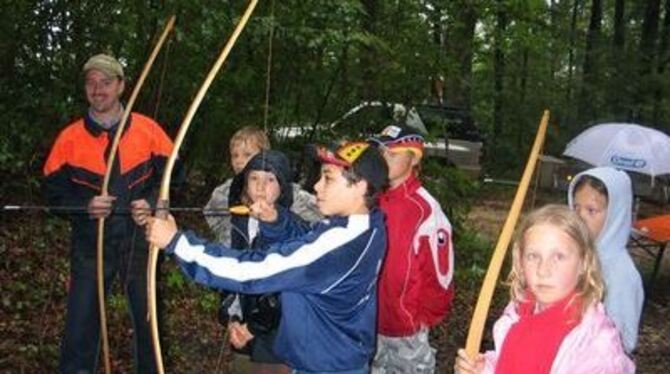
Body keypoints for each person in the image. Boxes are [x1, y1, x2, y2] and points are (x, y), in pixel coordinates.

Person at [146, 141, 389, 373]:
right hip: (331, 361)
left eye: (328, 178)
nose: (317, 186)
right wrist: (276, 221)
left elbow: (252, 271)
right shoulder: (366, 226)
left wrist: (177, 243)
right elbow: (308, 238)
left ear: (360, 186)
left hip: (326, 367)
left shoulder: (338, 245)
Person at [43, 53, 176, 373]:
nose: (97, 89)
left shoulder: (148, 130)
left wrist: (154, 201)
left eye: (105, 82)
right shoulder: (69, 138)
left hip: (139, 239)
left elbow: (173, 177)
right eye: (91, 83)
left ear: (121, 86)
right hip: (91, 244)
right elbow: (52, 195)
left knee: (150, 323)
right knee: (80, 323)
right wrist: (84, 206)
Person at [455, 205, 635, 373]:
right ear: (520, 261)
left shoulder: (595, 346)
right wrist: (483, 368)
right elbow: (513, 362)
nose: (543, 270)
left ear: (584, 263)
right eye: (533, 256)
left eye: (558, 256)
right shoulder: (520, 311)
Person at [368, 125, 454, 373]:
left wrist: (419, 320)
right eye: (382, 152)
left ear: (414, 157)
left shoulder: (425, 210)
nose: (384, 159)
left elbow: (441, 275)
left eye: (392, 154)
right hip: (369, 322)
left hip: (406, 330)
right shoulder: (372, 199)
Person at [221, 150, 297, 373]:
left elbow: (284, 290)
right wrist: (231, 317)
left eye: (270, 179)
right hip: (244, 337)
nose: (261, 187)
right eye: (254, 178)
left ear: (282, 186)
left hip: (278, 340)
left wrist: (253, 327)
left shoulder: (293, 228)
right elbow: (230, 274)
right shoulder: (240, 224)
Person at [568, 167, 644, 353]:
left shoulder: (621, 275)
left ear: (615, 216)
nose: (580, 217)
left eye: (591, 210)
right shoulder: (574, 257)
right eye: (576, 207)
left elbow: (623, 342)